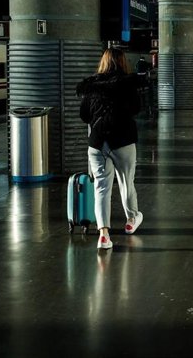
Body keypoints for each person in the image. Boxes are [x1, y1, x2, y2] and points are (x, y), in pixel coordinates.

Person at [77, 47, 143, 250]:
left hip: (97, 143)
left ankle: (104, 235)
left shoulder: (91, 86)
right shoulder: (128, 84)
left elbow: (84, 115)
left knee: (101, 188)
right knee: (126, 182)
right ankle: (131, 220)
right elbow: (136, 109)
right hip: (122, 139)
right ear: (123, 62)